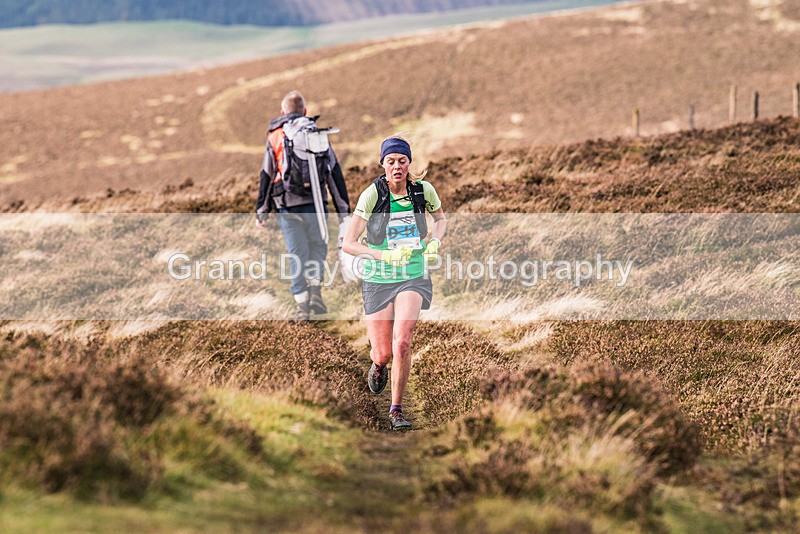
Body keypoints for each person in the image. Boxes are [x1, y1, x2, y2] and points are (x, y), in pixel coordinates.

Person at [342, 136, 446, 430]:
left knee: (402, 343)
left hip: (413, 274)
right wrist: (382, 255)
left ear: (409, 163)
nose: (397, 166)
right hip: (378, 278)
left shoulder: (423, 191)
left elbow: (441, 219)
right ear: (383, 165)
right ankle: (377, 366)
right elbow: (349, 244)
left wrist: (435, 241)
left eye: (402, 161)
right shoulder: (372, 196)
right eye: (391, 161)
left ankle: (396, 409)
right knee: (384, 353)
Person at [256, 91, 351, 320]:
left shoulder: (275, 137)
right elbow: (333, 173)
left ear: (282, 113)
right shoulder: (317, 133)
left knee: (296, 253)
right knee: (317, 247)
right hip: (316, 204)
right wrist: (343, 211)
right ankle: (316, 290)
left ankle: (301, 306)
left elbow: (267, 175)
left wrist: (262, 211)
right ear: (305, 111)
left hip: (287, 206)